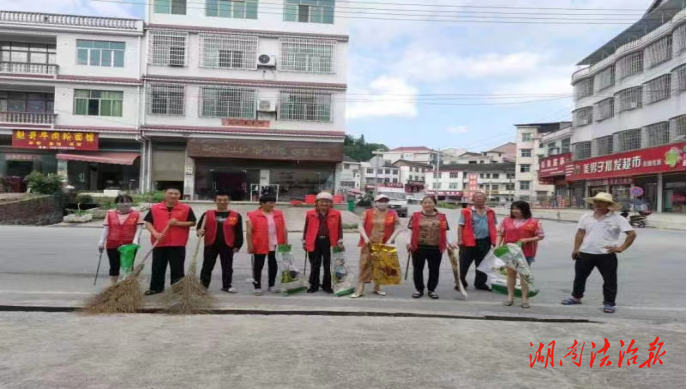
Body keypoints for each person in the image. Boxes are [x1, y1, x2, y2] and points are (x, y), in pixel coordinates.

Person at [562, 192, 637, 314]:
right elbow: (580, 232)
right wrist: (576, 248)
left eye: (601, 202)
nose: (597, 204)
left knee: (609, 280)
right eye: (596, 202)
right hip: (585, 252)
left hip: (606, 254)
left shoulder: (618, 219)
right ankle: (576, 297)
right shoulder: (586, 217)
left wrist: (621, 248)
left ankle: (609, 303)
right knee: (580, 278)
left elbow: (631, 234)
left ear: (608, 204)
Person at [143, 187, 196, 296]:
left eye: (176, 193)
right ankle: (156, 288)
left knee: (177, 268)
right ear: (165, 195)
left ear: (179, 195)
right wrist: (155, 233)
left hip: (178, 243)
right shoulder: (155, 208)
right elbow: (148, 223)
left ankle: (178, 290)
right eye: (170, 193)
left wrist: (178, 223)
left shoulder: (186, 208)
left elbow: (192, 222)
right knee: (158, 266)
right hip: (159, 242)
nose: (173, 196)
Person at [351, 195, 401, 299]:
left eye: (385, 201)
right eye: (380, 201)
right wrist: (365, 238)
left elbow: (398, 227)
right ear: (376, 202)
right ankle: (360, 288)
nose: (383, 203)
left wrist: (390, 240)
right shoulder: (368, 212)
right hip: (369, 242)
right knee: (365, 264)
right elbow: (360, 225)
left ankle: (377, 287)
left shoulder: (393, 213)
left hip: (384, 243)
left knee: (381, 265)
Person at [497, 201, 544, 309]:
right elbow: (500, 233)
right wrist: (497, 247)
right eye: (513, 209)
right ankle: (510, 297)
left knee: (524, 275)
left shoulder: (534, 222)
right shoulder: (506, 220)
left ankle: (525, 299)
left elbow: (540, 236)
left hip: (526, 252)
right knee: (510, 274)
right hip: (509, 251)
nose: (515, 211)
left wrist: (527, 240)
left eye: (518, 209)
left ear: (525, 209)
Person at [407, 196, 455, 300]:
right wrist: (408, 242)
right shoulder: (416, 216)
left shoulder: (442, 217)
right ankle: (419, 289)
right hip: (418, 247)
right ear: (422, 204)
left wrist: (450, 242)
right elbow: (410, 230)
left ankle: (431, 290)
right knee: (417, 269)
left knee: (434, 269)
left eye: (430, 202)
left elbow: (446, 231)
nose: (427, 204)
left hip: (435, 247)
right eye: (425, 203)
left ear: (434, 204)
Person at [197, 192, 244, 293]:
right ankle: (203, 286)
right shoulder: (207, 214)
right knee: (207, 266)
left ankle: (227, 285)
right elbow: (199, 228)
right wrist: (199, 232)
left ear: (229, 201)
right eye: (219, 200)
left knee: (227, 267)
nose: (222, 202)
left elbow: (238, 232)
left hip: (228, 245)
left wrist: (238, 245)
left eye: (225, 200)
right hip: (210, 244)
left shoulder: (235, 215)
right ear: (215, 201)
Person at [302, 192, 344, 294]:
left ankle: (327, 286)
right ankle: (314, 285)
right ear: (317, 203)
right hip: (314, 241)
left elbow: (339, 229)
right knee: (315, 264)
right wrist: (304, 241)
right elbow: (306, 228)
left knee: (328, 265)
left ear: (330, 203)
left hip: (329, 241)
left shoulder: (336, 214)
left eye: (327, 202)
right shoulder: (310, 213)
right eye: (322, 202)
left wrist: (340, 241)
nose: (324, 204)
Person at [247, 194, 288, 296]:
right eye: (270, 202)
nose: (272, 204)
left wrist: (285, 242)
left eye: (273, 202)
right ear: (262, 203)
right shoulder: (253, 215)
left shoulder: (279, 214)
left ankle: (272, 285)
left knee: (273, 265)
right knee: (258, 266)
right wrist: (250, 245)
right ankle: (257, 287)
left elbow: (284, 229)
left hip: (275, 243)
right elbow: (249, 232)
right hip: (260, 243)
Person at [98, 194, 144, 285]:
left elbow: (139, 228)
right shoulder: (110, 214)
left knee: (128, 265)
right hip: (112, 243)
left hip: (129, 245)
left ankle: (127, 285)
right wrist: (101, 242)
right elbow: (106, 229)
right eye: (122, 202)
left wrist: (135, 240)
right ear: (117, 203)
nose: (125, 204)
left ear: (131, 203)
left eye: (128, 201)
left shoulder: (137, 214)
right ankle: (113, 285)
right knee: (114, 265)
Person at [457, 192, 498, 291]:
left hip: (485, 241)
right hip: (469, 242)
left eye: (482, 197)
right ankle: (460, 282)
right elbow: (460, 226)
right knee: (463, 264)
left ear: (485, 199)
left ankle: (480, 283)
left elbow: (494, 226)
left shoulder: (490, 212)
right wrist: (460, 239)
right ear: (473, 200)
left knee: (483, 264)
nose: (479, 199)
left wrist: (495, 240)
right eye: (477, 197)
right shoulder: (466, 211)